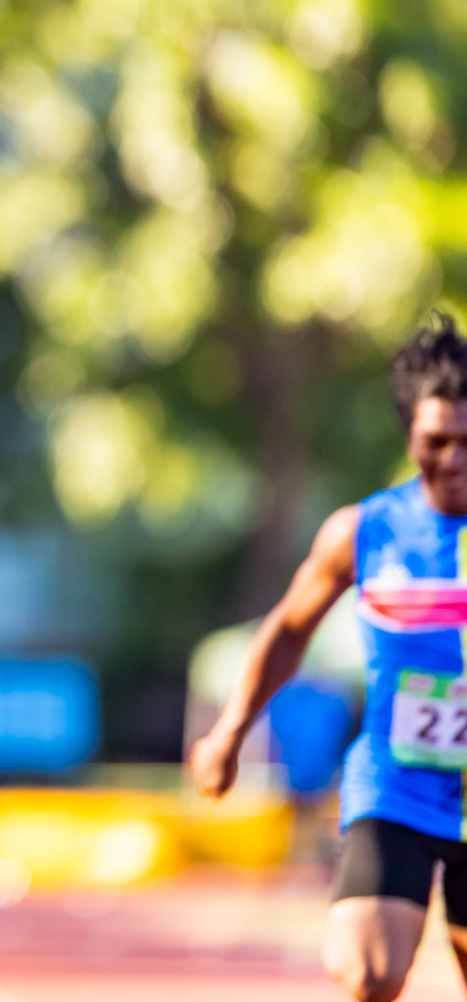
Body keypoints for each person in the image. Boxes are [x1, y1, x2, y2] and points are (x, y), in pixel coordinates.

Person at [191, 313, 467, 1002]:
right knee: (368, 970)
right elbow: (289, 629)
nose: (454, 459)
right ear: (410, 437)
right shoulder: (365, 530)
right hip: (397, 786)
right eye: (437, 441)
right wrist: (229, 731)